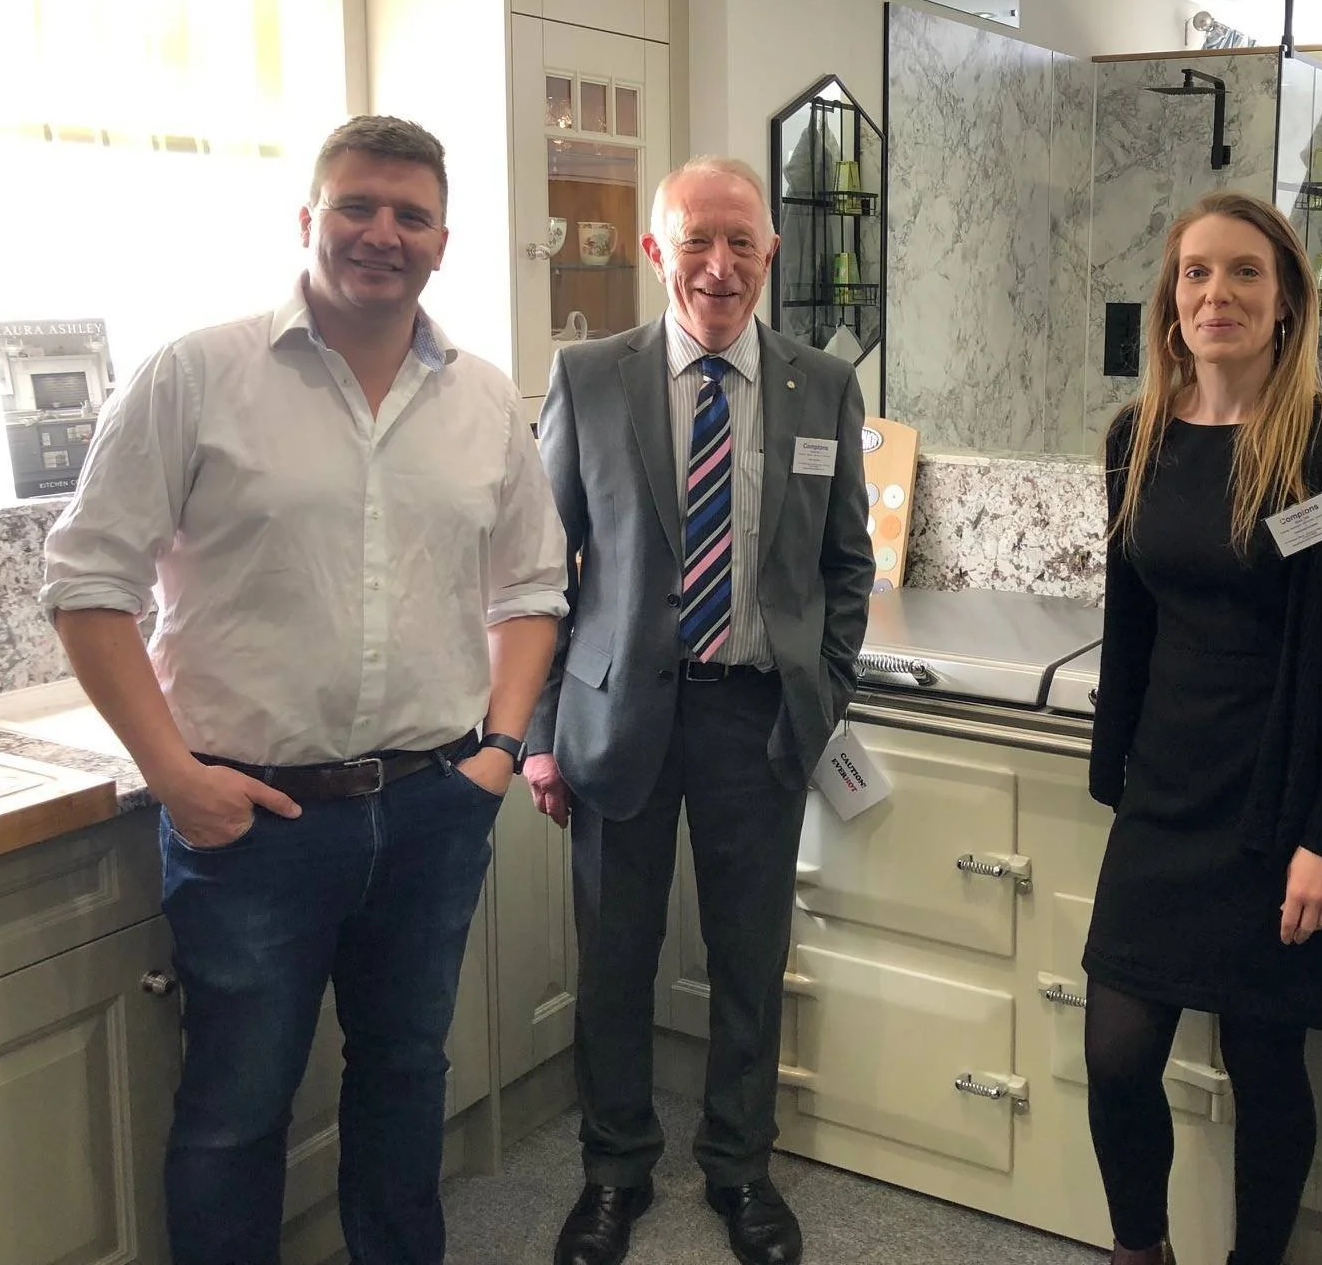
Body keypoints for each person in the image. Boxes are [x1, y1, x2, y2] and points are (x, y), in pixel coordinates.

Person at [42, 115, 567, 1265]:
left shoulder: (486, 400)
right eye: (356, 206)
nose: (383, 233)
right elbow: (86, 585)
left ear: (442, 242)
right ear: (308, 219)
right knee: (236, 1112)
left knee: (405, 1077)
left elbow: (532, 588)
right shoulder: (196, 374)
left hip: (433, 807)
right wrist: (172, 776)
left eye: (411, 215)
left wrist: (498, 747)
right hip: (252, 822)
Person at [524, 156, 875, 1265]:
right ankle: (613, 1171)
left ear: (771, 251)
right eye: (695, 243)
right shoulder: (590, 377)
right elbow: (540, 573)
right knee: (615, 960)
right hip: (616, 717)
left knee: (748, 961)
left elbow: (847, 564)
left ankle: (740, 1168)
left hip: (757, 719)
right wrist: (538, 733)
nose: (719, 267)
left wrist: (823, 693)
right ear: (655, 252)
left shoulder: (824, 385)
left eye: (740, 243)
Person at [1083, 190, 1322, 1265]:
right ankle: (1142, 1250)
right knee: (1117, 1056)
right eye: (1196, 273)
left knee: (1266, 1065)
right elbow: (1131, 622)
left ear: (1288, 302)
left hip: (1280, 802)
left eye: (1243, 272)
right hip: (1167, 794)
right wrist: (1117, 776)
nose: (1215, 293)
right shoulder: (1137, 437)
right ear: (1170, 302)